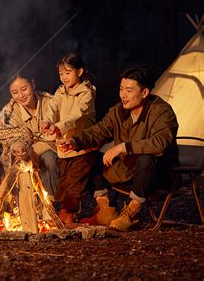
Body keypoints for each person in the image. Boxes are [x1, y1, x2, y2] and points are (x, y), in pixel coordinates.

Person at [58, 67, 179, 231]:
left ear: (144, 93)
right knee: (90, 155)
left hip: (158, 175)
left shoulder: (161, 111)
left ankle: (131, 212)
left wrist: (124, 147)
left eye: (129, 90)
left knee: (147, 158)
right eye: (121, 89)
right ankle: (105, 210)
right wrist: (75, 140)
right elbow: (99, 131)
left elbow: (161, 142)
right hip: (126, 171)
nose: (123, 95)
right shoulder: (118, 111)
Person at [42, 53, 98, 226]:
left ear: (79, 72)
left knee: (75, 181)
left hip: (82, 146)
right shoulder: (60, 91)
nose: (64, 77)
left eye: (68, 73)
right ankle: (64, 210)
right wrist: (48, 121)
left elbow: (77, 115)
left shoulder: (86, 93)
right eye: (61, 74)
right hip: (63, 146)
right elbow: (52, 106)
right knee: (64, 180)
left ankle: (69, 212)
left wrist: (59, 126)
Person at [0, 74, 59, 199]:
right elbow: (6, 136)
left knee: (49, 159)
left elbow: (59, 133)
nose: (21, 95)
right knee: (16, 160)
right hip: (24, 151)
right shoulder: (8, 112)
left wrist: (33, 150)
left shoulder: (51, 102)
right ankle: (23, 204)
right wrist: (18, 146)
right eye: (15, 92)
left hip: (52, 149)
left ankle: (51, 203)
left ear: (33, 84)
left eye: (24, 89)